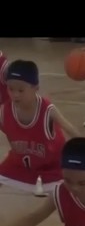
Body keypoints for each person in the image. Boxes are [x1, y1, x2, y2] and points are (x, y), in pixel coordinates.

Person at [0, 60, 78, 196]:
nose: (15, 94)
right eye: (10, 89)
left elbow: (71, 129)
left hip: (53, 166)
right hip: (19, 164)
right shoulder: (4, 110)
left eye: (21, 90)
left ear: (36, 88)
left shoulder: (47, 110)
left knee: (72, 195)